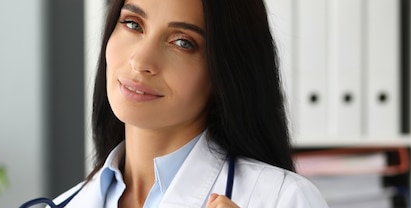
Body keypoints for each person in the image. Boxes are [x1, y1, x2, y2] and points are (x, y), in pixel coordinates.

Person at [25, 0, 329, 207]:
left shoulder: (284, 199)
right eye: (132, 24)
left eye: (182, 42)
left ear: (225, 71)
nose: (141, 61)